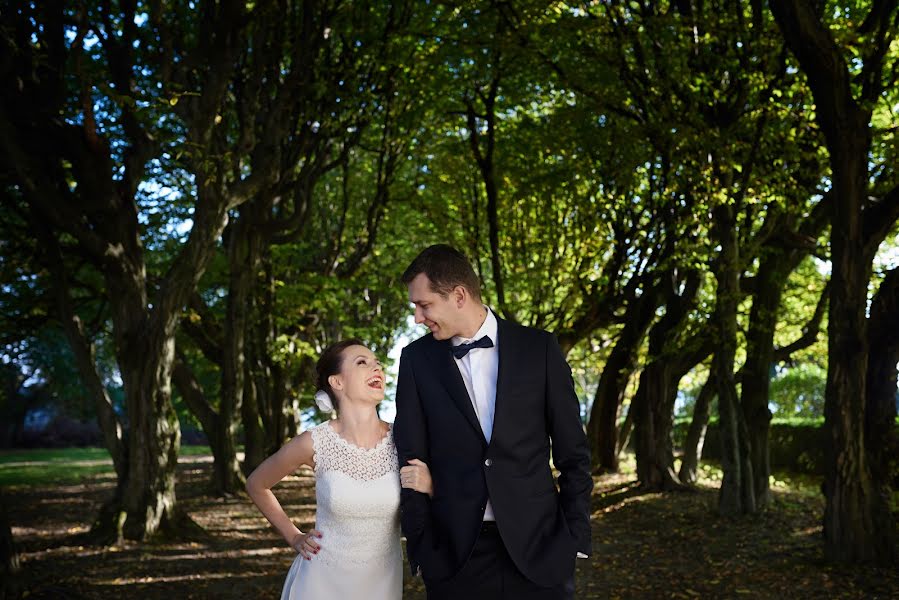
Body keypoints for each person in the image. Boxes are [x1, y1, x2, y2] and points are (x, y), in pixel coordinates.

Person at [394, 244, 593, 600]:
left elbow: (573, 454)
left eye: (423, 305)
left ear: (458, 295)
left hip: (541, 550)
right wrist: (422, 546)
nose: (417, 319)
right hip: (454, 558)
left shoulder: (540, 349)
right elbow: (411, 457)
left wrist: (574, 537)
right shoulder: (415, 361)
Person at [246, 339, 433, 600]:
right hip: (320, 584)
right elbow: (257, 484)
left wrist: (431, 487)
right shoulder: (314, 442)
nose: (376, 368)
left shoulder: (404, 440)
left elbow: (439, 500)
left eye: (377, 363)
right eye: (362, 363)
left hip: (381, 587)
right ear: (337, 382)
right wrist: (294, 537)